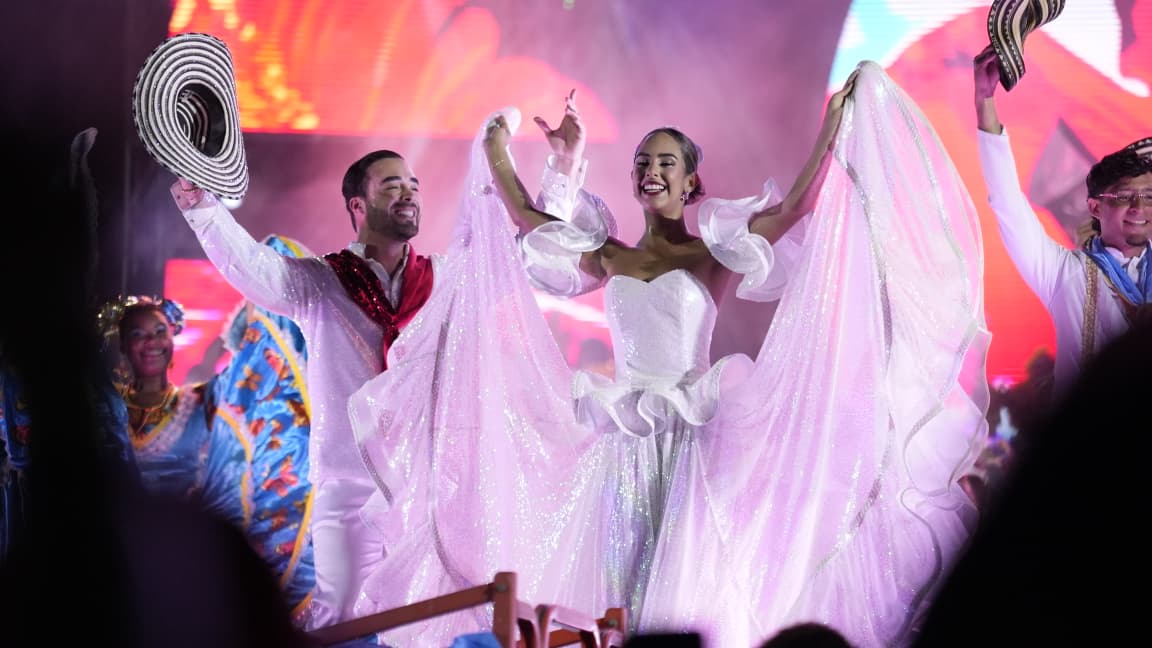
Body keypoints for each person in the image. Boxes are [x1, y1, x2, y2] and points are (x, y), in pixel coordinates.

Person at [348, 60, 989, 648]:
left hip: (693, 439)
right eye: (641, 162)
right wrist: (499, 150)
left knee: (678, 582)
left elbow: (796, 207)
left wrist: (830, 131)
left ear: (689, 181)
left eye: (665, 162)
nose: (650, 171)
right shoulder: (611, 254)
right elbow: (525, 218)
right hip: (622, 438)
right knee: (618, 584)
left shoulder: (711, 253)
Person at [974, 45, 1152, 396]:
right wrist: (984, 100)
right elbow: (1007, 203)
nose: (1137, 207)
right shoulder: (1061, 273)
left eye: (1148, 196)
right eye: (1122, 197)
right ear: (1095, 208)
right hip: (1087, 445)